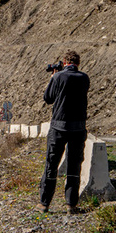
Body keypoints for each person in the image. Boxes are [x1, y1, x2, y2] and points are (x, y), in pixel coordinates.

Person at [41, 51, 91, 214]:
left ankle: (45, 203)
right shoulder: (84, 78)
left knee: (52, 164)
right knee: (74, 166)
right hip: (78, 127)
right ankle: (71, 205)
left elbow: (48, 98)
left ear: (64, 62)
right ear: (78, 62)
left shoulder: (58, 77)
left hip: (59, 127)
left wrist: (53, 77)